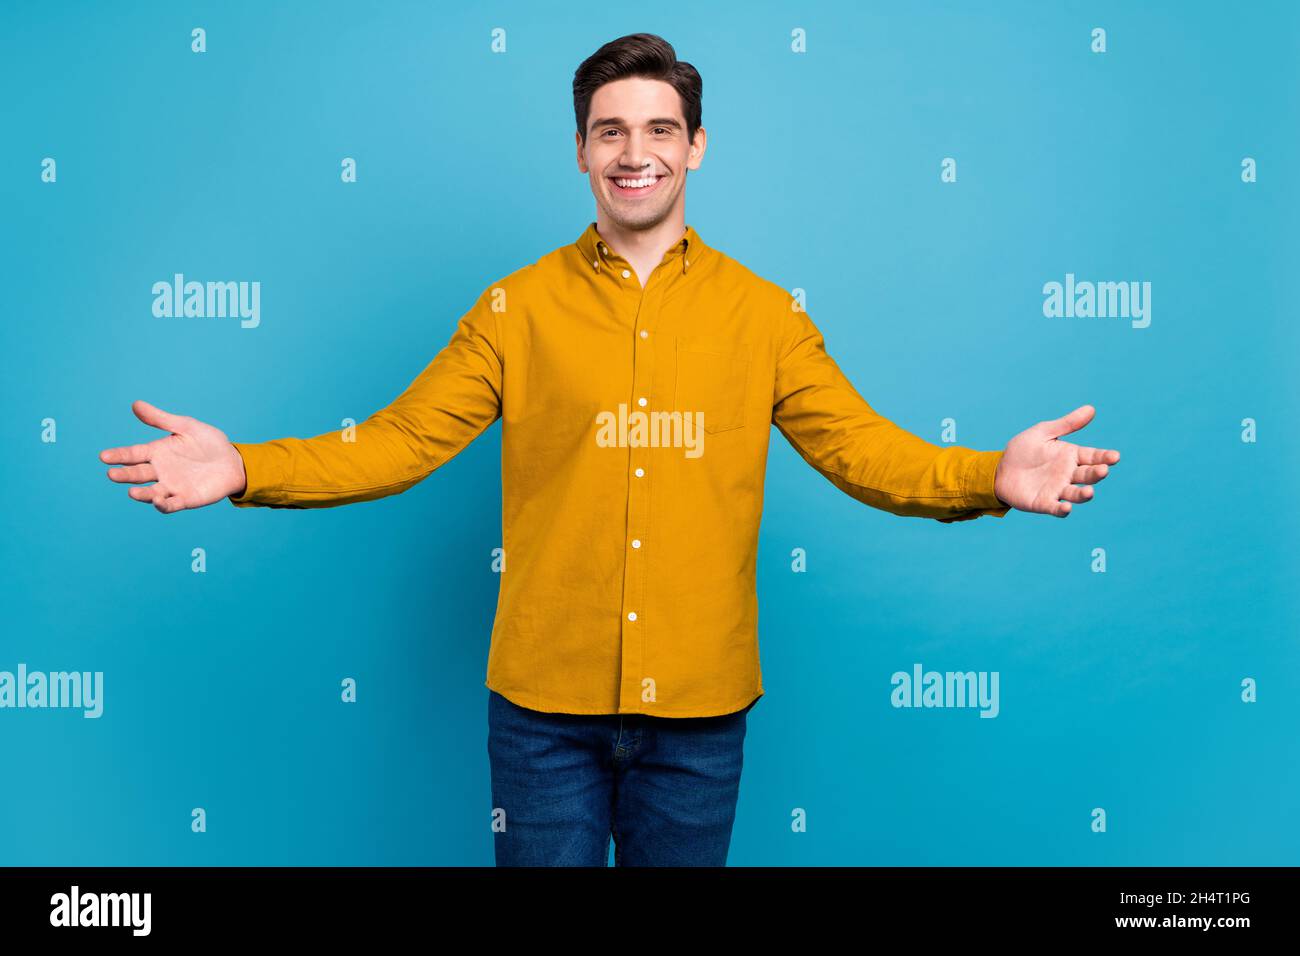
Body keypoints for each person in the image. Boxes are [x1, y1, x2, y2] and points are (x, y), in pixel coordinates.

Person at [99, 33, 1121, 867]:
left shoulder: (765, 317)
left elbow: (864, 451)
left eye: (660, 129)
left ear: (698, 146)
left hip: (700, 716)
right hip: (541, 714)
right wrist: (244, 468)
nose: (637, 151)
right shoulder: (513, 309)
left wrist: (989, 473)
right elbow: (401, 442)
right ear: (581, 151)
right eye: (611, 131)